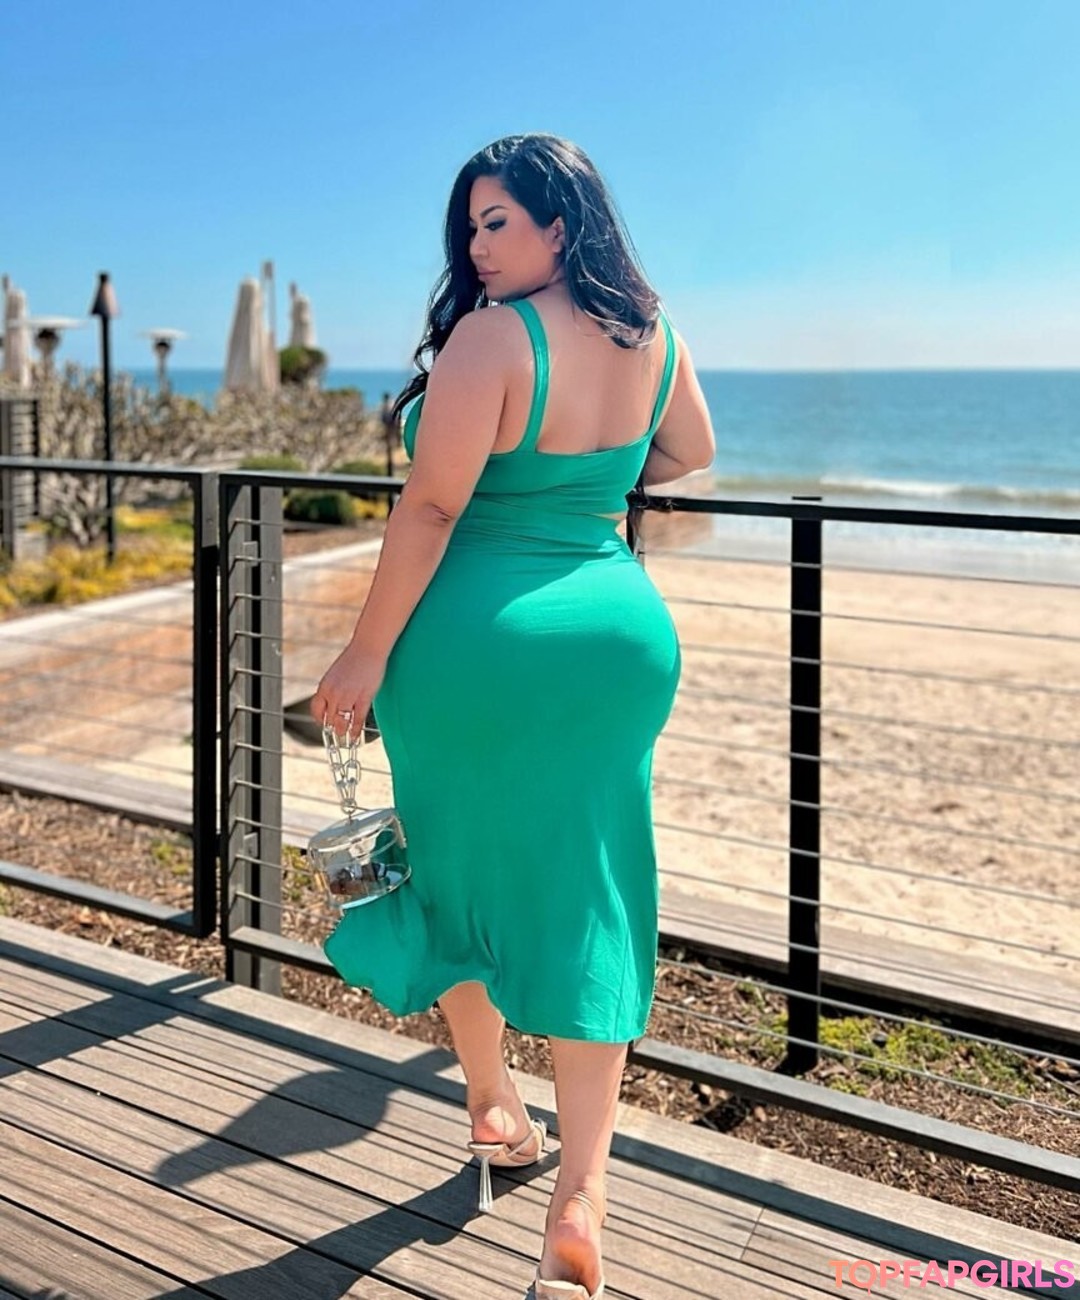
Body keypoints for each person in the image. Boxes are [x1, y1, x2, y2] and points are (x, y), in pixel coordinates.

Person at [310, 132, 715, 1300]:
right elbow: (691, 449)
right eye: (470, 226)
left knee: (454, 870)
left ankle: (493, 1104)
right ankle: (578, 1198)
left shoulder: (493, 338)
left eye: (498, 223)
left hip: (475, 647)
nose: (477, 246)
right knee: (592, 887)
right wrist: (584, 492)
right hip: (616, 639)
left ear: (561, 224)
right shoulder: (653, 331)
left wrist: (363, 651)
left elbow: (431, 509)